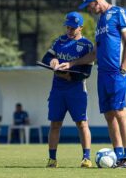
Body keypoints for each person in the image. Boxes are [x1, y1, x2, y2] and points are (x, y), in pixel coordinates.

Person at [58, 0, 126, 168]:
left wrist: (124, 68)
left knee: (120, 112)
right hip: (103, 74)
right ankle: (119, 157)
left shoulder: (119, 13)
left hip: (118, 73)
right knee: (109, 115)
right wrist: (71, 64)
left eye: (90, 6)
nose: (90, 9)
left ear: (97, 1)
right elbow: (94, 53)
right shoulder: (100, 22)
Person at [41, 11, 94, 168]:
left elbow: (86, 72)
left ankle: (86, 158)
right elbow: (45, 58)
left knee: (81, 123)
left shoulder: (87, 45)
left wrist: (68, 76)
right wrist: (53, 61)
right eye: (68, 27)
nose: (69, 31)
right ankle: (52, 159)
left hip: (76, 89)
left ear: (81, 28)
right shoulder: (60, 41)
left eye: (73, 28)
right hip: (57, 89)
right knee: (55, 124)